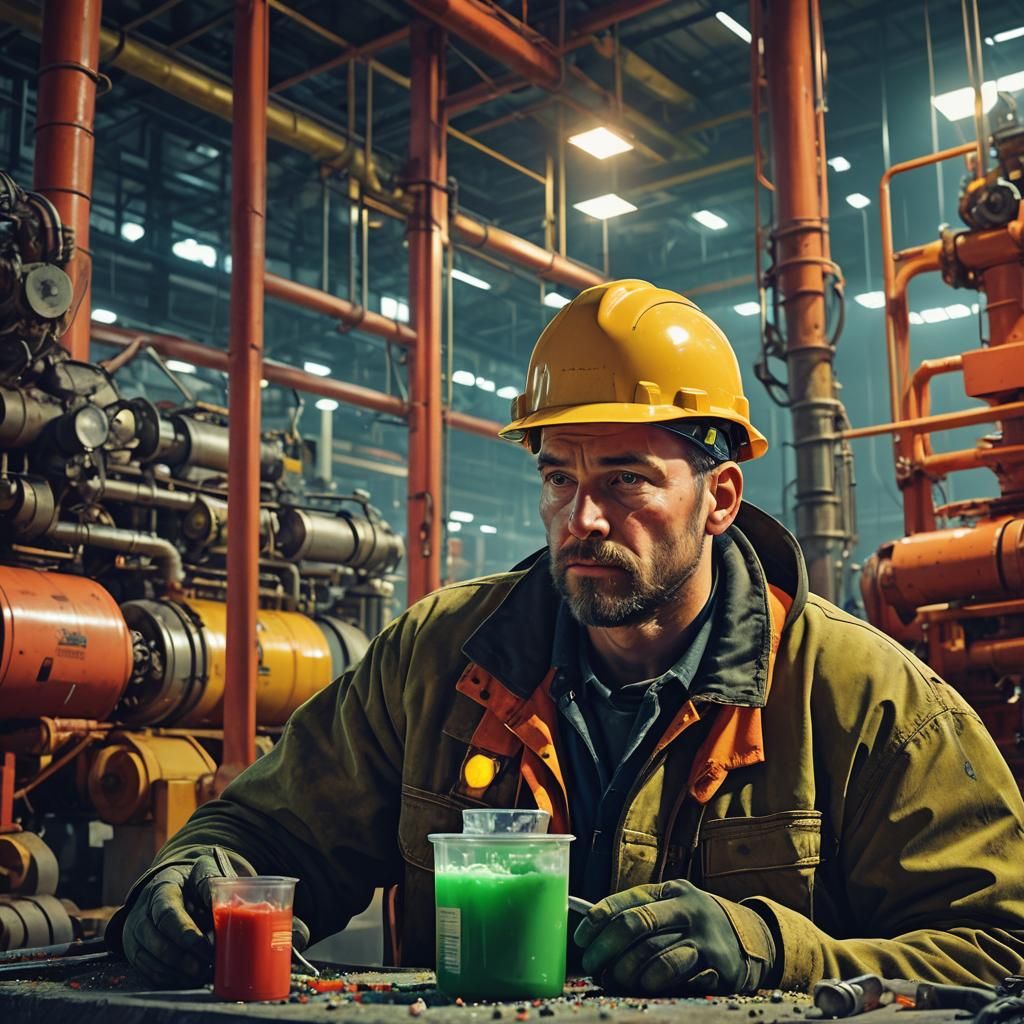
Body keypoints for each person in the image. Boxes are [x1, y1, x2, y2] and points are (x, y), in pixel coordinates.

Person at [111, 279, 1024, 994]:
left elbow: (1000, 946)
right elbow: (269, 838)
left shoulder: (863, 700)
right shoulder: (440, 660)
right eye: (559, 479)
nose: (581, 518)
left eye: (626, 480)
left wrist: (773, 947)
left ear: (719, 499)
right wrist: (194, 877)